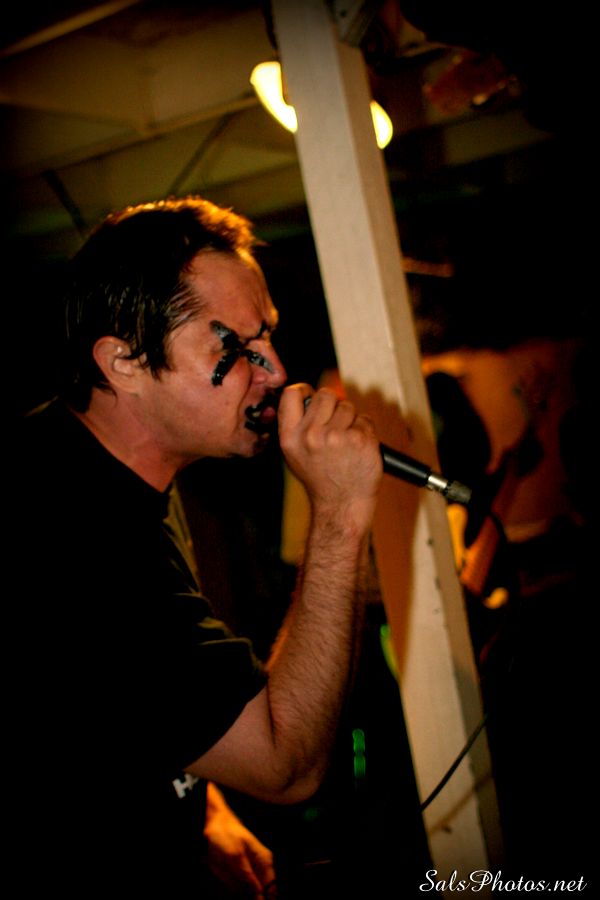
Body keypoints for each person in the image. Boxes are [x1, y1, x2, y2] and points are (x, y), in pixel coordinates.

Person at [8, 196, 383, 896]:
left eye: (268, 337)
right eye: (234, 348)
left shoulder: (106, 468)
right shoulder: (68, 533)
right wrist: (339, 511)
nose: (275, 371)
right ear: (123, 361)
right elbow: (285, 765)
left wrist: (203, 806)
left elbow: (126, 695)